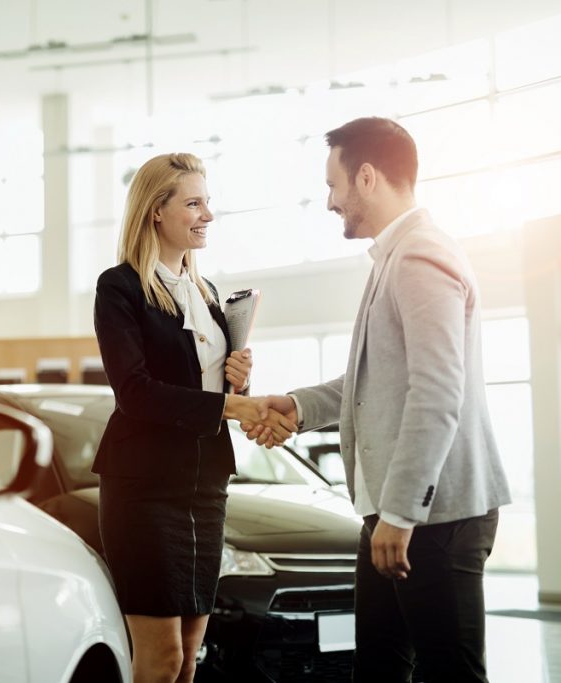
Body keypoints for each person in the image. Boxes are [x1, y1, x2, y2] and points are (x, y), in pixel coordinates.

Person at [247, 117, 511, 682]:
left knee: (450, 674)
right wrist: (299, 407)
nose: (329, 202)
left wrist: (399, 514)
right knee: (379, 670)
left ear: (365, 177)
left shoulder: (419, 256)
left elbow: (437, 390)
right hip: (401, 515)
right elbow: (377, 380)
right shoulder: (396, 256)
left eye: (332, 186)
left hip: (432, 519)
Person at [93, 152, 294, 683]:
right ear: (156, 211)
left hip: (206, 484)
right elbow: (134, 391)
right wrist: (231, 404)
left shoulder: (205, 294)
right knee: (160, 658)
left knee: (188, 653)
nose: (207, 215)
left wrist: (238, 377)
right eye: (194, 203)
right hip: (145, 488)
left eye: (208, 202)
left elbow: (206, 386)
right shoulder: (120, 288)